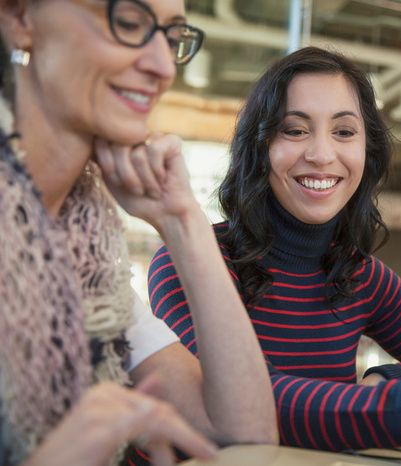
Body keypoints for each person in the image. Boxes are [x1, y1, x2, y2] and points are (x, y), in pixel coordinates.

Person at [149, 46, 401, 454]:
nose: (322, 155)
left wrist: (387, 378)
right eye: (295, 130)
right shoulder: (191, 261)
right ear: (258, 148)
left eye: (344, 132)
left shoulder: (359, 274)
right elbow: (249, 404)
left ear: (366, 151)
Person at [0, 0, 278, 463]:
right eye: (128, 22)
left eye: (172, 39)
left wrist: (182, 219)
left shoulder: (86, 260)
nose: (162, 66)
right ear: (20, 18)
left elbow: (243, 428)